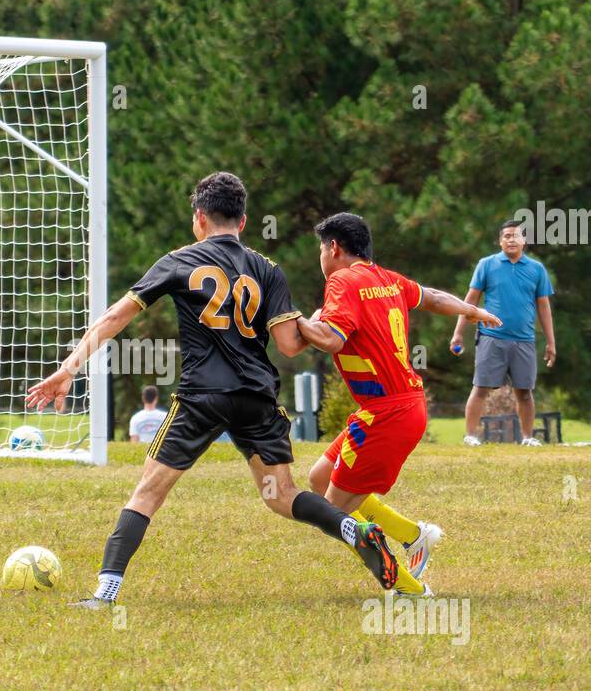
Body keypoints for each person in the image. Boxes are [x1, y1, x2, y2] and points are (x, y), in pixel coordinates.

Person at [26, 171, 427, 608]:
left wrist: (69, 368)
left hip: (202, 396)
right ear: (244, 221)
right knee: (283, 495)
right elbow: (291, 346)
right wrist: (315, 322)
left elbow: (116, 317)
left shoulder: (179, 260)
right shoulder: (267, 269)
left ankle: (105, 593)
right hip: (257, 397)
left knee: (148, 492)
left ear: (200, 217)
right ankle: (355, 530)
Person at [303, 213, 502, 584]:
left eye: (321, 247)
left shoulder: (342, 280)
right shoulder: (385, 278)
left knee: (332, 512)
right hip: (399, 406)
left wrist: (292, 320)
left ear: (334, 247)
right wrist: (472, 310)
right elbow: (434, 297)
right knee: (319, 478)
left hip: (388, 413)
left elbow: (331, 339)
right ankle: (415, 535)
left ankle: (406, 586)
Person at [450, 219, 556, 446]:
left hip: (524, 340)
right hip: (491, 337)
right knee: (480, 388)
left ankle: (527, 438)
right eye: (506, 236)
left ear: (524, 241)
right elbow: (470, 301)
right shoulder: (486, 265)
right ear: (500, 241)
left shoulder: (537, 269)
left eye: (515, 235)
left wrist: (550, 341)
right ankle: (470, 436)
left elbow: (544, 307)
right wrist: (458, 333)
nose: (511, 239)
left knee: (525, 392)